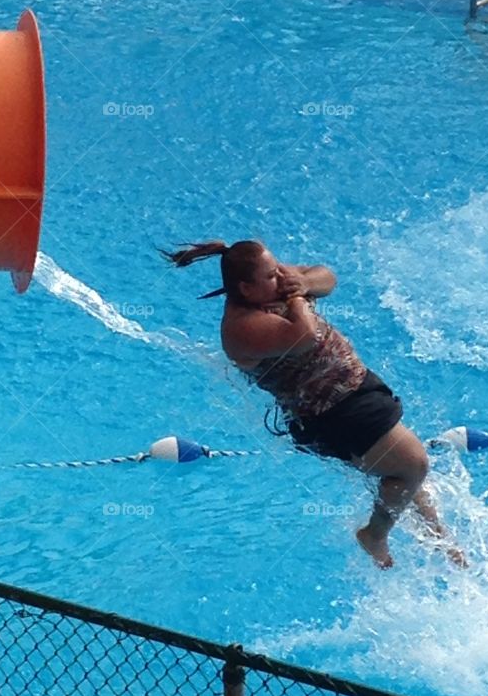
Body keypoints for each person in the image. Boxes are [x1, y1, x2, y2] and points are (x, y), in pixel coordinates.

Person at [162, 239, 465, 570]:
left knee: (403, 472)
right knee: (412, 464)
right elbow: (303, 336)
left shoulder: (270, 284)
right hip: (330, 414)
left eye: (279, 269)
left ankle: (439, 538)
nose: (281, 276)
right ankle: (373, 535)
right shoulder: (242, 328)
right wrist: (296, 296)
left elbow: (327, 277)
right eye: (272, 275)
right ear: (246, 289)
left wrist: (305, 282)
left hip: (356, 388)